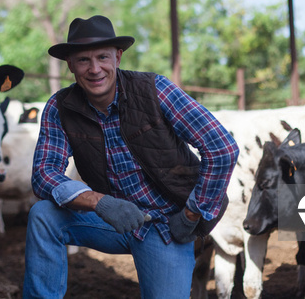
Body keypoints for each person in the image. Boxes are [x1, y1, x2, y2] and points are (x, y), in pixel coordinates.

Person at [22, 15, 239, 298]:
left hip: (165, 226)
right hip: (108, 218)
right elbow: (43, 174)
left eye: (102, 57)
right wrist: (100, 202)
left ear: (118, 57)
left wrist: (190, 214)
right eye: (84, 60)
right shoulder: (60, 107)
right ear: (70, 65)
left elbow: (222, 147)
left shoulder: (154, 90)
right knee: (43, 215)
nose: (95, 69)